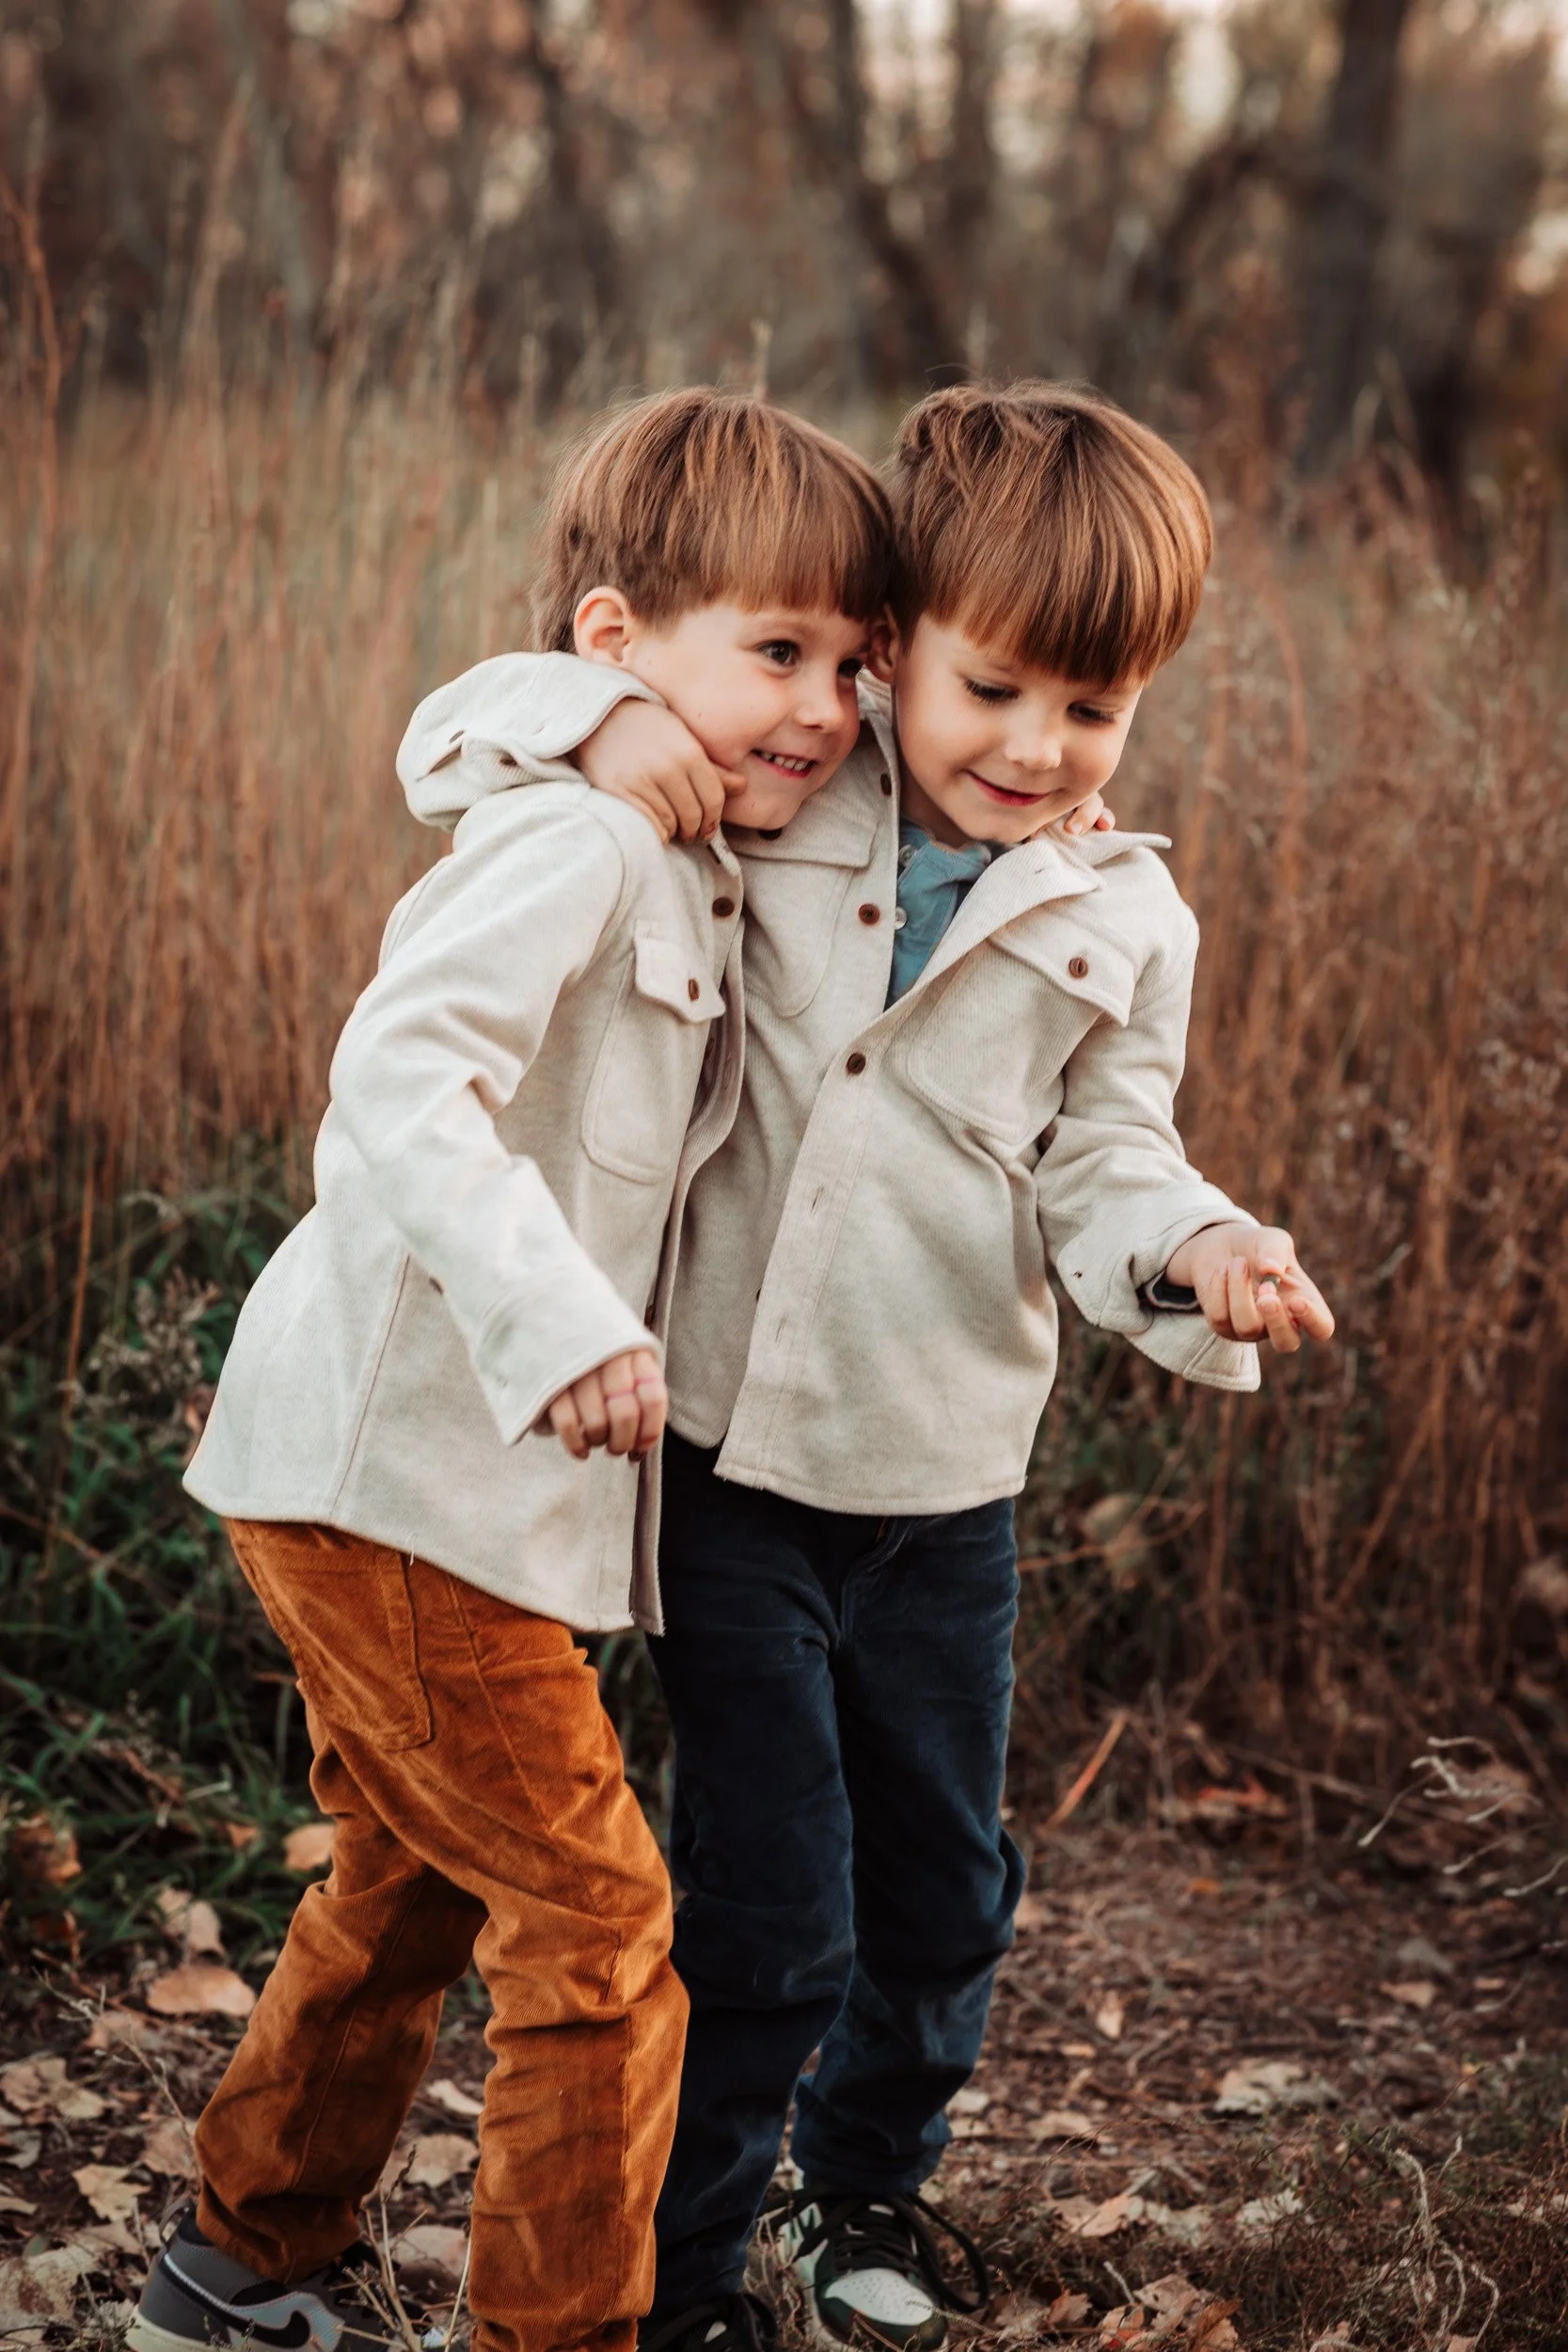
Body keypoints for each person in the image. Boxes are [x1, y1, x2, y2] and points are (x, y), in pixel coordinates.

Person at [423, 382, 1334, 2352]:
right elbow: (462, 734)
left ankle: (869, 2183)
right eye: (994, 687)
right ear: (895, 646)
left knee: (942, 1887)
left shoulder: (1121, 907)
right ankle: (674, 2270)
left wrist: (1197, 1245)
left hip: (944, 1482)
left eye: (1091, 708)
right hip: (735, 1465)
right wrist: (605, 717)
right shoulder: (763, 790)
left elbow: (1108, 1153)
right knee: (770, 1904)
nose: (1037, 747)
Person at [126, 387, 895, 2352]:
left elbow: (505, 708)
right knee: (601, 1924)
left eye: (849, 660)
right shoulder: (578, 833)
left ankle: (233, 2263)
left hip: (421, 1488)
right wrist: (554, 1317)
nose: (818, 705)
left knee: (410, 1877)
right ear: (623, 643)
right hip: (399, 1472)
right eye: (776, 651)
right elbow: (395, 1073)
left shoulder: (686, 823)